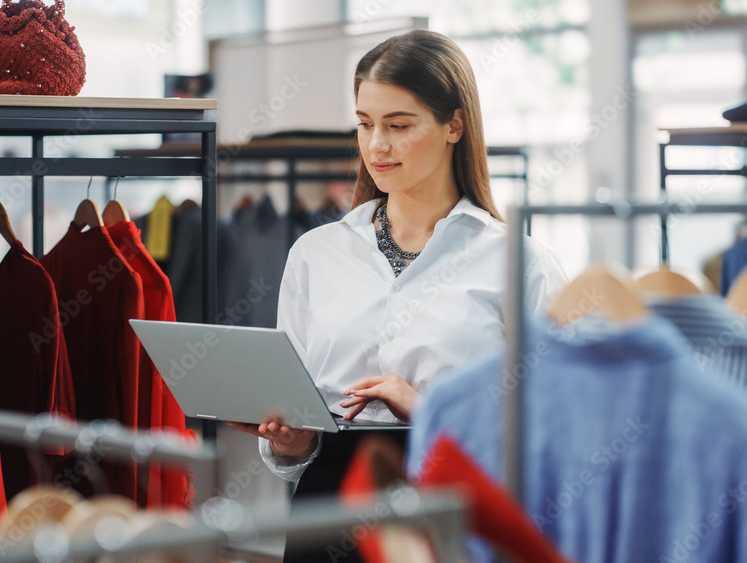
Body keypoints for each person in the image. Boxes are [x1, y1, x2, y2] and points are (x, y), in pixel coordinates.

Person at [228, 29, 567, 561]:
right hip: (326, 509)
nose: (376, 145)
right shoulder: (316, 254)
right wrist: (292, 441)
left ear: (454, 124)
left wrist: (428, 411)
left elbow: (551, 434)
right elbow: (299, 424)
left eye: (398, 125)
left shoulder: (519, 264)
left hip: (450, 504)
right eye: (364, 124)